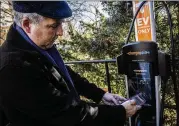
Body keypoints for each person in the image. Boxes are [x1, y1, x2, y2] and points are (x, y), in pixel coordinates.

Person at [0, 1, 139, 126]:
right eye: (54, 26)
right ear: (27, 24)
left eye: (60, 24)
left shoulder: (35, 45)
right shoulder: (14, 67)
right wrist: (120, 112)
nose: (60, 32)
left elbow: (62, 74)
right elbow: (65, 114)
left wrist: (101, 95)